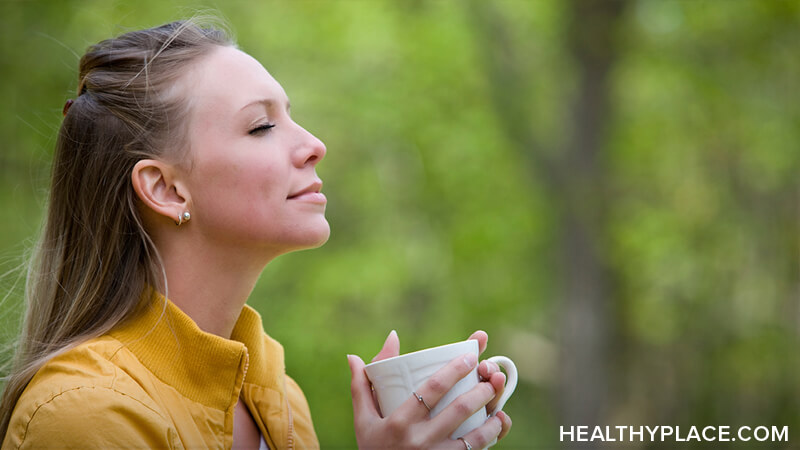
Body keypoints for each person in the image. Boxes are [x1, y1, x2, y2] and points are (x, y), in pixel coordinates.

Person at [0, 18, 513, 449]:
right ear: (166, 188)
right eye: (261, 127)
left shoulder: (281, 401)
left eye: (290, 117)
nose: (315, 145)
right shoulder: (84, 413)